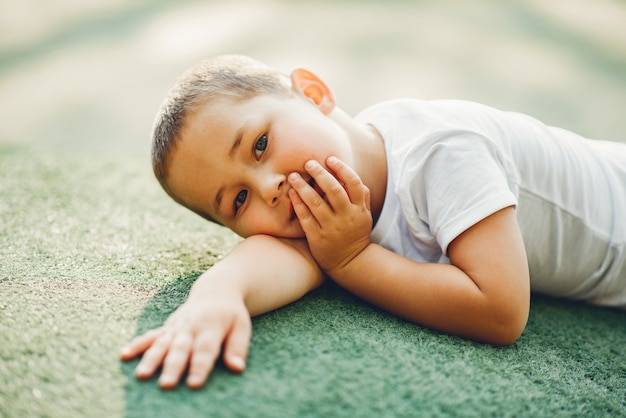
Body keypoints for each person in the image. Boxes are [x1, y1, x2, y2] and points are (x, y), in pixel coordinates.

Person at [120, 55, 626, 390]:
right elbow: (273, 260)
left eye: (259, 145)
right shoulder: (315, 213)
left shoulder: (440, 151)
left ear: (314, 93)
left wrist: (354, 260)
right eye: (238, 201)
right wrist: (217, 296)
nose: (270, 186)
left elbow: (500, 310)